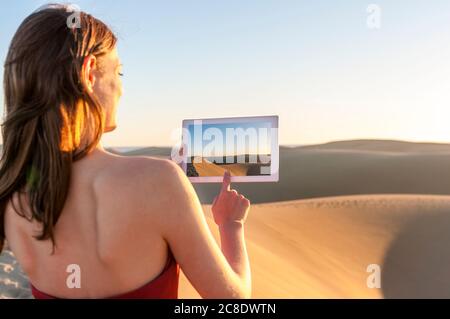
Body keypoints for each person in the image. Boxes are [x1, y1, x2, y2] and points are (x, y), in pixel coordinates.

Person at [0, 5, 251, 299]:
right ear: (89, 73)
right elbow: (233, 301)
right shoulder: (159, 181)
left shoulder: (12, 199)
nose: (121, 88)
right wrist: (231, 226)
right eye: (119, 71)